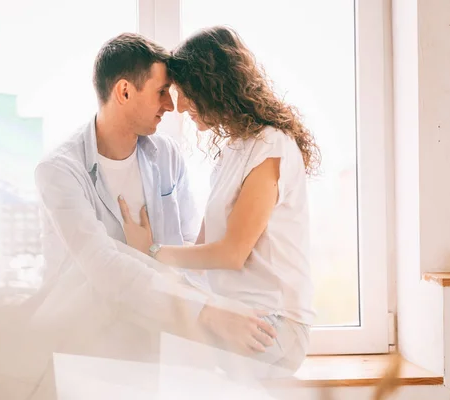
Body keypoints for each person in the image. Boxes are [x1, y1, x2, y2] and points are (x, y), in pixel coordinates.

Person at [33, 32, 277, 364]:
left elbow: (188, 248)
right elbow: (102, 266)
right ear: (124, 91)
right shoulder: (59, 171)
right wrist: (208, 312)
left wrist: (221, 311)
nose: (170, 106)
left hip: (156, 345)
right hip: (83, 347)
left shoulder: (166, 155)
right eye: (162, 92)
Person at [118, 26, 321, 378]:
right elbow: (201, 254)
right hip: (239, 313)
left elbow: (230, 254)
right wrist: (143, 258)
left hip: (273, 325)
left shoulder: (270, 147)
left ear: (214, 88)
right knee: (143, 327)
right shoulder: (233, 153)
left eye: (185, 93)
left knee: (161, 351)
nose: (178, 108)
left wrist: (150, 251)